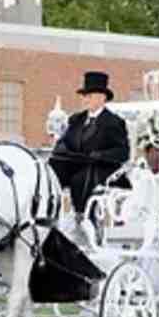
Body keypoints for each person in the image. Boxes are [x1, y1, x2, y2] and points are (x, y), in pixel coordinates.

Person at [49, 71, 130, 222]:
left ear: (102, 98)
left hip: (100, 167)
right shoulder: (76, 119)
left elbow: (123, 152)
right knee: (53, 168)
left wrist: (100, 155)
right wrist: (62, 149)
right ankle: (48, 208)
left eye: (90, 96)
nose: (85, 99)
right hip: (75, 162)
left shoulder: (113, 122)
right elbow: (65, 140)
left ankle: (81, 214)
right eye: (84, 96)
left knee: (80, 178)